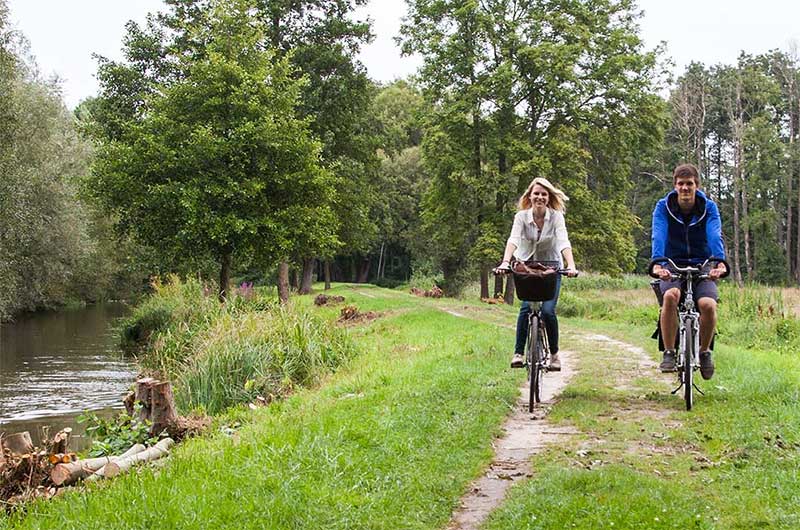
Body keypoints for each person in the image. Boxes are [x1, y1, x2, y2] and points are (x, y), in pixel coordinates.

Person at [651, 163, 727, 379]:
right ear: (675, 186)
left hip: (701, 263)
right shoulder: (663, 207)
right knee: (670, 296)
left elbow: (714, 234)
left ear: (697, 186)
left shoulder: (708, 207)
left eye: (690, 184)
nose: (685, 188)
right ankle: (669, 351)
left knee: (708, 305)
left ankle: (704, 352)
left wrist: (719, 262)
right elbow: (659, 234)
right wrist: (657, 263)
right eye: (681, 184)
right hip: (671, 263)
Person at [496, 177, 578, 370]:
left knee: (548, 311)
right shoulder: (521, 217)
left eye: (543, 194)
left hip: (550, 267)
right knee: (525, 309)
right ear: (530, 196)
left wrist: (571, 265)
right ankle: (518, 353)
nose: (540, 197)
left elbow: (563, 241)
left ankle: (555, 355)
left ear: (548, 197)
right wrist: (506, 262)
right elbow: (513, 239)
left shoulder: (556, 217)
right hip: (526, 267)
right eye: (536, 194)